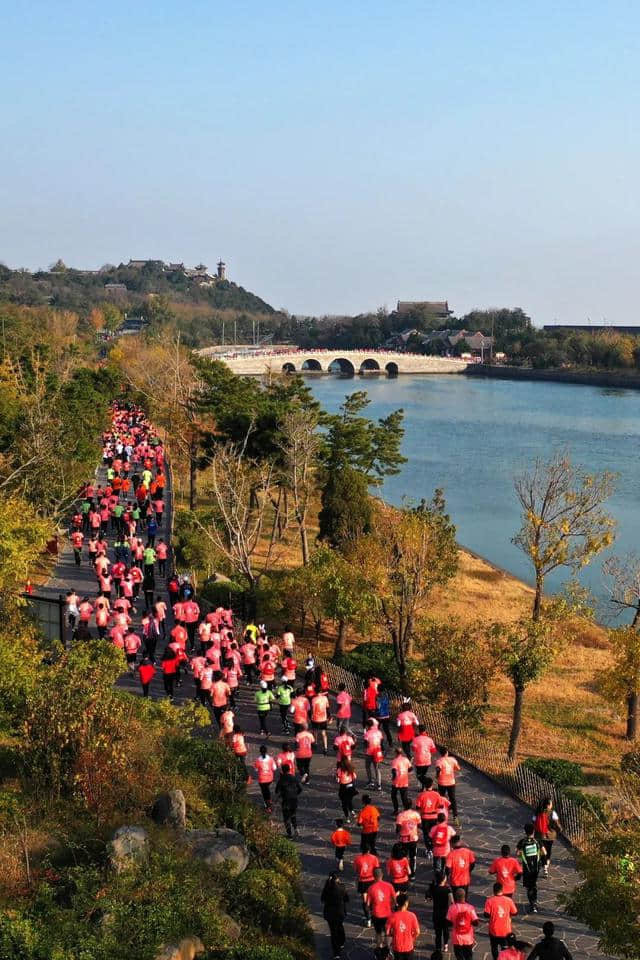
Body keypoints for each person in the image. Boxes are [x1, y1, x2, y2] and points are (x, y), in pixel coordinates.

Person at [365, 867, 397, 953]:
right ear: (382, 875)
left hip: (376, 915)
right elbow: (395, 900)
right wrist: (392, 907)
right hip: (388, 914)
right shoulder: (389, 886)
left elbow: (367, 905)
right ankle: (388, 949)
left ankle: (379, 948)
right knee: (388, 933)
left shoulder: (371, 888)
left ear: (373, 876)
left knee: (378, 933)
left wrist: (369, 913)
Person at [484, 882, 518, 960]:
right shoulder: (508, 900)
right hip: (506, 931)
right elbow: (515, 912)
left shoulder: (489, 901)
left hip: (494, 930)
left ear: (493, 891)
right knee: (505, 951)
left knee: (494, 948)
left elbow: (486, 915)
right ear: (502, 890)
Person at [517, 823, 545, 913]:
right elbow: (544, 852)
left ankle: (532, 904)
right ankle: (534, 902)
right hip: (536, 867)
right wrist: (537, 855)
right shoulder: (537, 841)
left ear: (525, 832)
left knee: (529, 887)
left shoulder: (522, 842)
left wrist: (524, 854)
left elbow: (518, 853)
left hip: (527, 868)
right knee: (533, 884)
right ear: (534, 831)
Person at [321, 872, 349, 960]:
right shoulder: (342, 887)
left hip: (330, 914)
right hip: (340, 912)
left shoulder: (327, 888)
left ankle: (336, 953)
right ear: (337, 879)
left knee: (333, 932)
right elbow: (347, 899)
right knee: (340, 927)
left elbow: (322, 899)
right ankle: (341, 941)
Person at [446, 888, 479, 960]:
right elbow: (476, 923)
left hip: (457, 938)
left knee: (459, 957)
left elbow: (448, 923)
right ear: (465, 896)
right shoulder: (470, 908)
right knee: (469, 957)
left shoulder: (452, 908)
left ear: (455, 897)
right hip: (468, 938)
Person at [386, 892, 420, 960]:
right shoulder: (412, 916)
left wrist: (393, 935)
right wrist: (412, 938)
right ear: (406, 903)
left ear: (397, 903)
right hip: (409, 946)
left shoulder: (392, 917)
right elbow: (417, 932)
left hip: (397, 946)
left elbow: (387, 932)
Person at [426, 870, 453, 953]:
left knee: (438, 932)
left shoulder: (434, 889)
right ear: (444, 879)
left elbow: (428, 899)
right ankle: (445, 945)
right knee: (445, 930)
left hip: (436, 913)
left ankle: (438, 948)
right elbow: (452, 901)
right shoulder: (448, 890)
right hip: (445, 913)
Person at [353, 846, 380, 926]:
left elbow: (355, 870)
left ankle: (368, 918)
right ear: (369, 850)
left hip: (363, 881)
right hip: (372, 880)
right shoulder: (374, 858)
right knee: (373, 898)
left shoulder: (357, 859)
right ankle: (374, 914)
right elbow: (377, 869)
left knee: (365, 901)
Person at [534, 797, 560, 877]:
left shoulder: (538, 812)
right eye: (551, 804)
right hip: (550, 836)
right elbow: (557, 824)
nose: (552, 805)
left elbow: (533, 821)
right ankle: (546, 867)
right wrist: (559, 830)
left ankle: (544, 866)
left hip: (539, 835)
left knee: (542, 851)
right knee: (548, 852)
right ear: (548, 805)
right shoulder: (552, 813)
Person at [275, 762, 302, 838]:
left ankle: (289, 832)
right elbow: (300, 788)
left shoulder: (281, 779)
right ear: (289, 770)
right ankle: (296, 828)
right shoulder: (293, 777)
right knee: (293, 815)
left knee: (286, 817)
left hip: (286, 800)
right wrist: (296, 794)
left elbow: (276, 791)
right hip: (294, 800)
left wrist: (281, 794)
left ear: (282, 771)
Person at [396, 799, 421, 879]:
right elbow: (419, 825)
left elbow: (398, 828)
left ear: (404, 805)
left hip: (404, 839)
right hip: (413, 838)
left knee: (403, 857)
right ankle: (412, 874)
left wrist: (398, 832)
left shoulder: (401, 815)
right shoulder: (416, 814)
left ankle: (403, 872)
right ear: (411, 805)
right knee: (413, 857)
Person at [436, 747, 461, 820]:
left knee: (441, 798)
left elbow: (438, 769)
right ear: (447, 752)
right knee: (452, 798)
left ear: (440, 753)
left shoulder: (439, 761)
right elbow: (458, 768)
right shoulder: (452, 760)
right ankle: (455, 815)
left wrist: (437, 776)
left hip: (441, 782)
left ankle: (441, 813)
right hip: (451, 782)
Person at [254, 743, 276, 813]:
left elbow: (256, 769)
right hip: (270, 778)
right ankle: (269, 801)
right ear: (266, 751)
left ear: (260, 751)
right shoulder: (271, 759)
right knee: (267, 790)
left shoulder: (258, 760)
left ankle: (268, 806)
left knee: (264, 792)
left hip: (262, 779)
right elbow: (274, 768)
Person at [391, 746, 413, 815]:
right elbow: (411, 768)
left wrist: (393, 778)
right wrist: (406, 771)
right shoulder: (406, 759)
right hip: (404, 780)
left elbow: (394, 771)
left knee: (394, 795)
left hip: (397, 781)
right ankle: (406, 809)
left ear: (396, 753)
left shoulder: (394, 761)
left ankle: (396, 810)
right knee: (404, 797)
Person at [364, 717, 384, 791]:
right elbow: (381, 741)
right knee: (377, 768)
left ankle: (370, 781)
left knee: (368, 767)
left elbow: (366, 744)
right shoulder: (379, 732)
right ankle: (379, 784)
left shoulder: (367, 733)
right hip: (378, 752)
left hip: (369, 752)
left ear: (368, 726)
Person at [336, 756, 358, 821]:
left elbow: (338, 780)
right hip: (350, 786)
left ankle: (347, 816)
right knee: (349, 800)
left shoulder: (340, 770)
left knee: (344, 803)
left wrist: (338, 778)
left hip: (343, 787)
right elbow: (355, 777)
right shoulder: (350, 768)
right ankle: (352, 811)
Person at [311, 689, 331, 754]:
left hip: (315, 718)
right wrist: (329, 717)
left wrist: (311, 717)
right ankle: (325, 747)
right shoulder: (325, 698)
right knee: (323, 733)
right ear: (321, 692)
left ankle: (315, 743)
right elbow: (328, 708)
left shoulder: (314, 699)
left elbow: (312, 710)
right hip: (323, 718)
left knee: (315, 731)